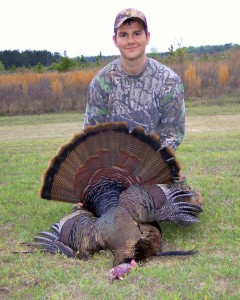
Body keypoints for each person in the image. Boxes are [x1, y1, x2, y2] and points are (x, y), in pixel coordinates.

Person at [83, 8, 185, 151]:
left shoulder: (169, 81)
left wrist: (153, 165)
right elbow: (91, 135)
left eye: (137, 33)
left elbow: (172, 135)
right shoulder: (101, 83)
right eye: (123, 35)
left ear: (147, 37)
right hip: (112, 167)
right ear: (115, 40)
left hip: (155, 165)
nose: (130, 41)